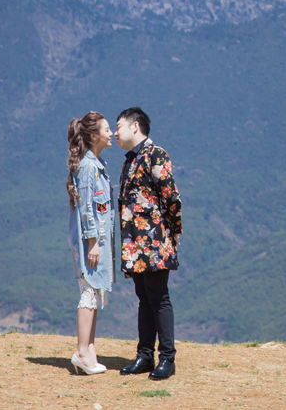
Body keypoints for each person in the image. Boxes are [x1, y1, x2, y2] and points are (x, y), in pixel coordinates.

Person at [114, 106, 182, 381]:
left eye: (118, 126)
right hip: (134, 244)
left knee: (159, 298)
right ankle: (144, 356)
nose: (115, 133)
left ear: (135, 126)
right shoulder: (130, 160)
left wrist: (171, 233)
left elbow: (171, 197)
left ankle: (167, 358)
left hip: (154, 242)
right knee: (144, 298)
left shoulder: (156, 154)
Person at [65, 111, 117, 375]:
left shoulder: (97, 164)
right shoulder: (88, 167)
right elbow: (87, 209)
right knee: (88, 291)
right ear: (94, 136)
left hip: (97, 240)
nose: (112, 133)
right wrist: (93, 242)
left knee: (94, 292)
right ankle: (82, 352)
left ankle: (89, 349)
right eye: (107, 129)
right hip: (90, 242)